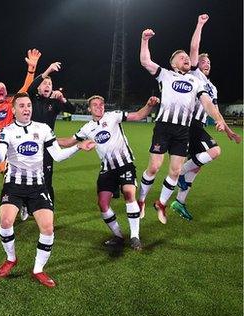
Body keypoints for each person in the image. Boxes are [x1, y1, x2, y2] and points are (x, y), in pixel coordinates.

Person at [0, 92, 94, 287]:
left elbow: (58, 156)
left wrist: (78, 147)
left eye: (28, 105)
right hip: (14, 185)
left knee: (48, 228)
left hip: (38, 186)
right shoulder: (7, 131)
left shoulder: (43, 129)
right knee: (5, 222)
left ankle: (38, 269)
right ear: (14, 110)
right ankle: (11, 258)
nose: (26, 109)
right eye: (21, 106)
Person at [137, 28, 227, 224]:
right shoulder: (165, 74)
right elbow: (145, 61)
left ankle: (161, 204)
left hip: (182, 131)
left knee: (176, 171)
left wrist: (218, 119)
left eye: (187, 57)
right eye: (182, 57)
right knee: (154, 167)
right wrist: (145, 40)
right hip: (163, 127)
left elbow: (207, 103)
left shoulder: (195, 81)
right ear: (173, 63)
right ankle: (141, 200)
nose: (186, 58)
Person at [59, 95, 160, 250]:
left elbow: (139, 115)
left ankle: (135, 237)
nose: (99, 107)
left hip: (125, 164)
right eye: (95, 105)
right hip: (107, 169)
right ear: (89, 109)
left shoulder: (113, 116)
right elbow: (69, 142)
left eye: (101, 104)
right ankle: (118, 236)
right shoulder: (87, 128)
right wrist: (48, 139)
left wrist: (148, 104)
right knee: (103, 204)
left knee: (129, 194)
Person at [171, 14, 241, 220]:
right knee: (214, 151)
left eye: (208, 61)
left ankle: (179, 202)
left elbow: (216, 111)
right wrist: (200, 24)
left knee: (198, 165)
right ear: (196, 64)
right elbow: (194, 48)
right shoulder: (195, 75)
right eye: (202, 60)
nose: (206, 62)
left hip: (199, 124)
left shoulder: (213, 87)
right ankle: (178, 174)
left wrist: (229, 131)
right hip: (190, 124)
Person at [0, 49, 41, 223]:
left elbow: (25, 89)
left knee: (13, 180)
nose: (2, 89)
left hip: (10, 147)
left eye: (3, 88)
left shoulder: (11, 103)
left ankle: (20, 205)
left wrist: (31, 70)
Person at [27, 61, 76, 214]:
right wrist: (47, 71)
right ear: (39, 87)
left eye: (50, 83)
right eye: (45, 83)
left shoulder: (54, 103)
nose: (48, 85)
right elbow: (31, 87)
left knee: (47, 179)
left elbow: (71, 110)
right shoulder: (32, 99)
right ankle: (26, 206)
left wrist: (62, 99)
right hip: (31, 145)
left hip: (47, 146)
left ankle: (49, 207)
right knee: (28, 178)